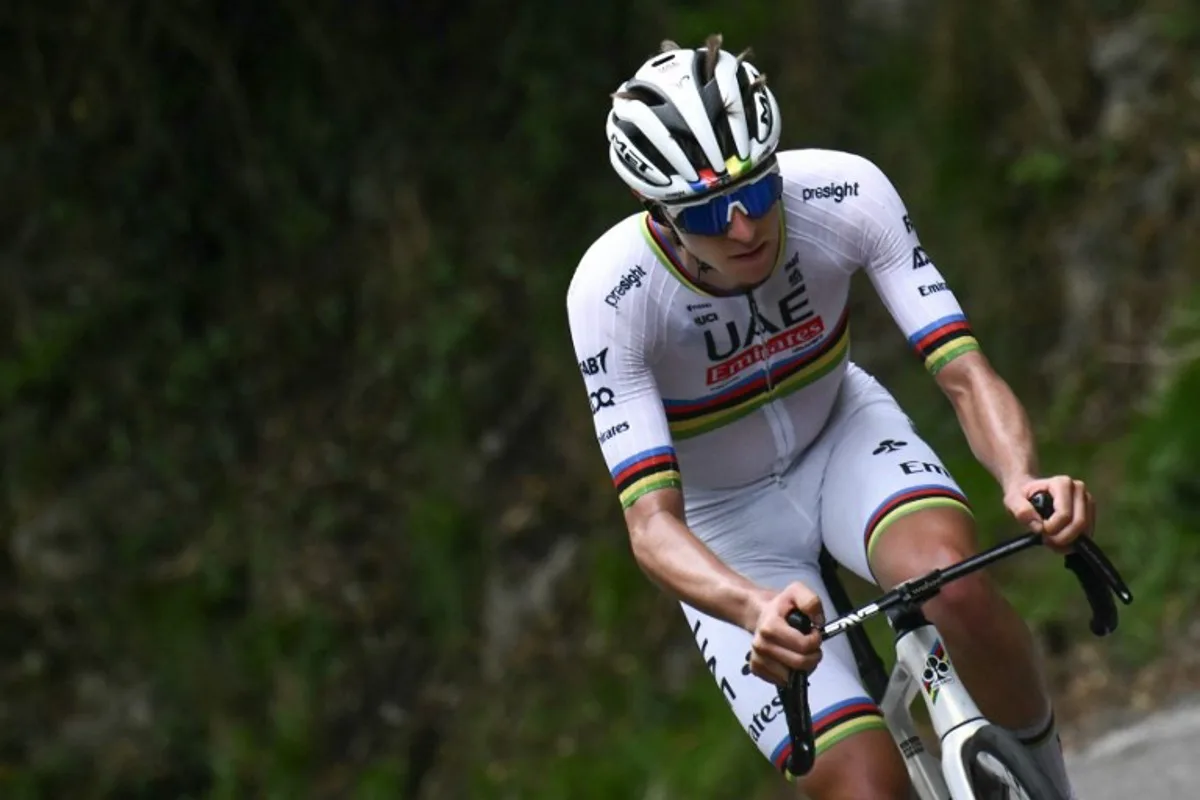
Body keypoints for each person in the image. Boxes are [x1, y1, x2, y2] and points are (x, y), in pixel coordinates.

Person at [566, 33, 1093, 800]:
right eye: (710, 213)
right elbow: (651, 524)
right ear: (659, 214)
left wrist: (1020, 475)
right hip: (725, 525)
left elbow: (963, 371)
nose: (744, 228)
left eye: (755, 192)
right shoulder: (611, 295)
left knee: (954, 588)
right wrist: (750, 607)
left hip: (843, 437)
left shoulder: (844, 194)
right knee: (861, 783)